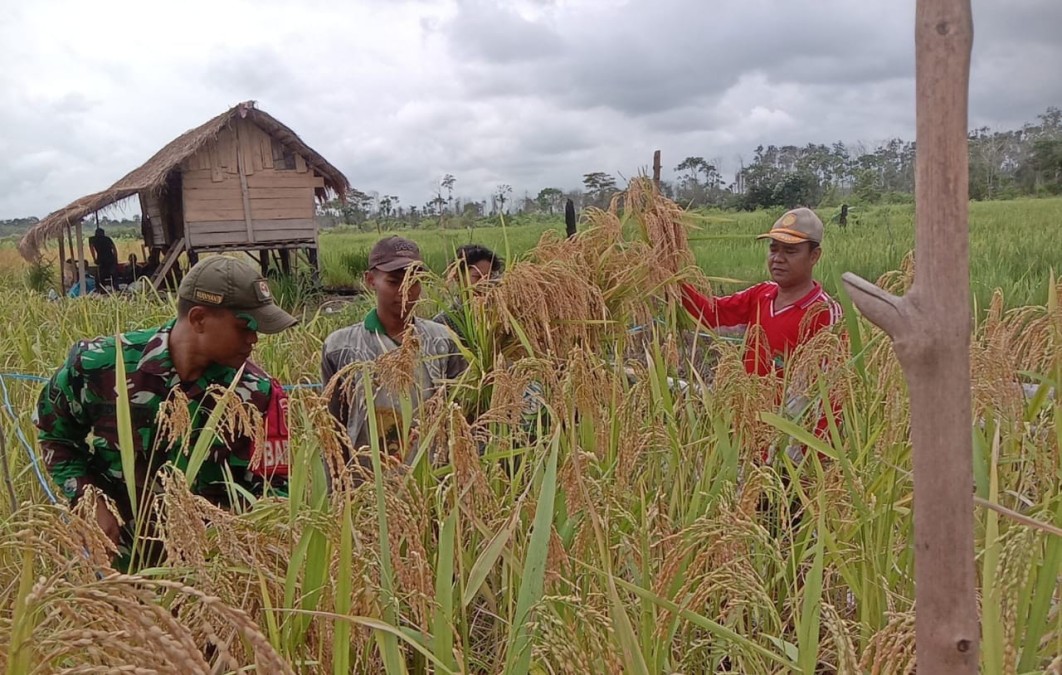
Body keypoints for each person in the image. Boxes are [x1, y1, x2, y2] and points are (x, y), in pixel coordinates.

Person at [35, 256, 297, 564]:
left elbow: (277, 489)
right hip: (119, 560)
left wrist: (233, 533)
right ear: (198, 319)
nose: (254, 339)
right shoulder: (100, 365)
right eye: (245, 327)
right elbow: (56, 436)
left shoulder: (257, 393)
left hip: (213, 568)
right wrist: (88, 500)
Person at [680, 207, 843, 455]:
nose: (778, 258)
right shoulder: (761, 294)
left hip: (786, 447)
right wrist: (672, 278)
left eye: (790, 251)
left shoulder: (825, 313)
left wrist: (806, 460)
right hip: (746, 432)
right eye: (773, 249)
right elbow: (711, 313)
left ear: (814, 256)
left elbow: (830, 395)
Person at [322, 236, 467, 467]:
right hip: (368, 484)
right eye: (394, 281)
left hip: (431, 483)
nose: (406, 291)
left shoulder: (442, 341)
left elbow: (459, 417)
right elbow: (333, 430)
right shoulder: (341, 347)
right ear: (370, 280)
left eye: (414, 281)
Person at [433, 244, 505, 347]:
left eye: (489, 277)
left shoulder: (501, 316)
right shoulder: (442, 323)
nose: (485, 283)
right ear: (457, 277)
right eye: (477, 276)